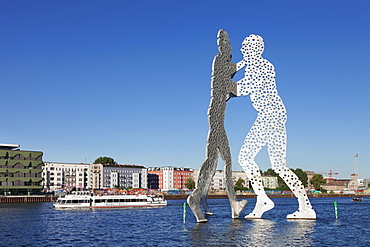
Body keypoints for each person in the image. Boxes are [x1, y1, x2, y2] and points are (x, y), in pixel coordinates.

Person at [235, 34, 316, 219]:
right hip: (276, 116)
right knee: (279, 166)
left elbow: (244, 88)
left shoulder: (261, 67)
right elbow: (243, 73)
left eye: (244, 47)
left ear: (254, 50)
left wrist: (222, 86)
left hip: (269, 116)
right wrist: (236, 66)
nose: (241, 51)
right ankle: (305, 207)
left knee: (245, 157)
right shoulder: (258, 65)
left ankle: (263, 199)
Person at [187, 29, 247, 223]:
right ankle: (231, 203)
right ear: (225, 49)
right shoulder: (220, 63)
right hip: (217, 121)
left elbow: (233, 76)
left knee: (212, 162)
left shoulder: (220, 69)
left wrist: (241, 66)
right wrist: (248, 64)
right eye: (229, 49)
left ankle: (198, 199)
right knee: (227, 163)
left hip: (215, 119)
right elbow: (236, 87)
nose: (230, 54)